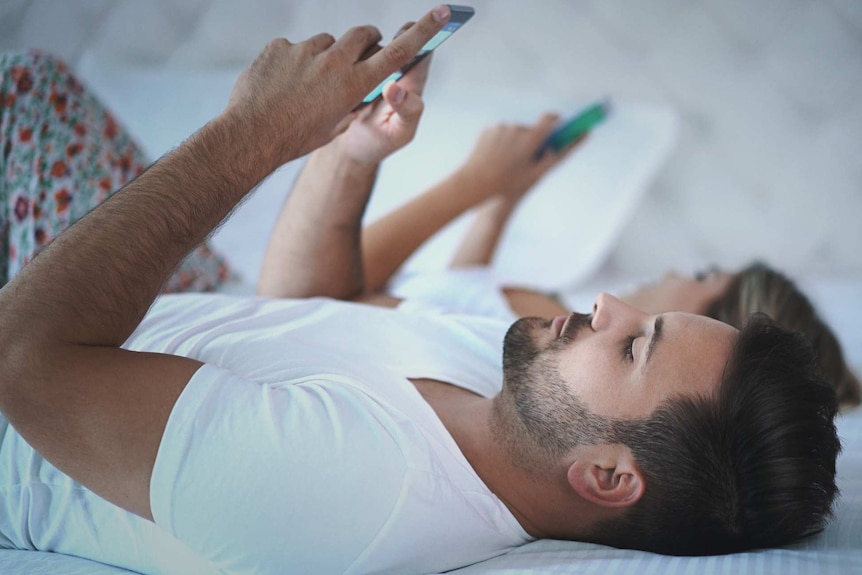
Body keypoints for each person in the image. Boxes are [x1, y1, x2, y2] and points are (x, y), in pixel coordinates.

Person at [0, 7, 841, 575]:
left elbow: (22, 358)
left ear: (609, 476)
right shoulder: (514, 387)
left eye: (633, 345)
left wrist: (256, 133)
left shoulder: (360, 493)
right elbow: (303, 306)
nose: (608, 305)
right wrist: (348, 155)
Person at [335, 120, 860, 409]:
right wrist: (504, 198)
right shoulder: (544, 317)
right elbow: (456, 287)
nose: (678, 271)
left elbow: (331, 288)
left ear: (715, 330)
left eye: (701, 279)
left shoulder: (535, 338)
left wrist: (473, 182)